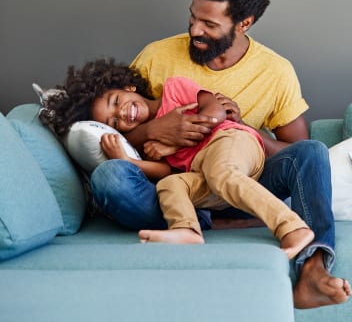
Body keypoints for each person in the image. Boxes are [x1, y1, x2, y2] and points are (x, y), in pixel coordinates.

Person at [89, 0, 352, 309]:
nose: (195, 30)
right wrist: (156, 129)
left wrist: (243, 128)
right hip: (187, 185)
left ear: (243, 23)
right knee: (110, 179)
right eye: (192, 17)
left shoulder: (275, 72)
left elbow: (294, 151)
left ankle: (313, 269)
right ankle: (203, 224)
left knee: (313, 152)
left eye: (209, 24)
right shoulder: (156, 57)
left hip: (243, 173)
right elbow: (121, 122)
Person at [40, 58, 315, 260]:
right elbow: (165, 172)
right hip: (203, 170)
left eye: (115, 101)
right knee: (170, 187)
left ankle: (292, 228)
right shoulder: (148, 141)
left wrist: (184, 132)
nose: (121, 114)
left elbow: (216, 110)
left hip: (233, 141)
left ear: (128, 87)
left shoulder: (174, 89)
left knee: (222, 173)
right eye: (113, 121)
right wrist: (126, 160)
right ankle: (188, 231)